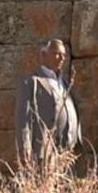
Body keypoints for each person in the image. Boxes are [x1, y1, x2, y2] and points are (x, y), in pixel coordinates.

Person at [14, 39, 81, 170]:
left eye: (64, 55)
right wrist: (25, 148)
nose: (62, 58)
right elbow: (23, 119)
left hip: (67, 155)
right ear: (43, 55)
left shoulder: (66, 84)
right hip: (43, 154)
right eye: (57, 54)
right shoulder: (31, 83)